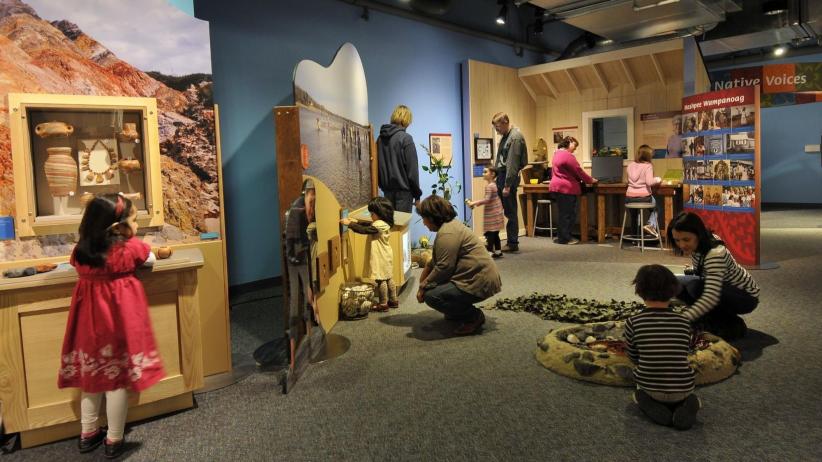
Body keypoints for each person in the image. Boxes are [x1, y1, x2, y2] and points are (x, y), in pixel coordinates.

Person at [58, 194, 164, 458]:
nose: (137, 226)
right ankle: (114, 439)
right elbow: (150, 258)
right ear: (117, 228)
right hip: (117, 323)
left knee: (91, 379)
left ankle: (88, 433)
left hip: (88, 325)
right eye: (134, 221)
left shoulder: (80, 252)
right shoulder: (128, 249)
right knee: (117, 381)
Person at [624, 264, 701, 430]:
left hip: (650, 387)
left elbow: (632, 355)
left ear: (639, 291)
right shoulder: (684, 322)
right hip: (684, 387)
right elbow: (685, 350)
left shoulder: (633, 322)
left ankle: (648, 402)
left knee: (639, 390)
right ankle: (689, 402)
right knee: (686, 379)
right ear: (673, 291)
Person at [416, 195, 501, 335]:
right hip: (475, 277)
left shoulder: (447, 232)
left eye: (424, 218)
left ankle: (473, 316)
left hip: (480, 281)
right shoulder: (449, 227)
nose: (424, 223)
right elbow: (435, 261)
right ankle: (458, 311)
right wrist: (423, 282)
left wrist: (424, 287)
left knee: (432, 296)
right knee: (434, 287)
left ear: (432, 217)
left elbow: (444, 267)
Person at [667, 212, 760, 340]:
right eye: (677, 240)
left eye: (686, 239)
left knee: (696, 287)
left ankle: (730, 323)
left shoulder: (714, 254)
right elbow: (708, 270)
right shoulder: (703, 243)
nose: (681, 245)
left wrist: (684, 319)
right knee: (672, 281)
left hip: (745, 296)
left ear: (698, 235)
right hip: (723, 287)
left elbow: (711, 297)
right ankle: (709, 318)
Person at [341, 197, 398, 311]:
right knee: (389, 278)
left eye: (372, 214)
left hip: (380, 256)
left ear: (379, 213)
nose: (371, 216)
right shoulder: (384, 223)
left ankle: (383, 304)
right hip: (386, 254)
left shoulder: (378, 225)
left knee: (381, 280)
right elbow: (369, 225)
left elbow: (364, 230)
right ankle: (393, 300)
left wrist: (350, 224)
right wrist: (356, 221)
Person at [549, 136, 596, 245]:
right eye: (574, 146)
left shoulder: (556, 154)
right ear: (569, 142)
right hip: (566, 189)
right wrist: (590, 180)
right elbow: (578, 171)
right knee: (568, 214)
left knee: (563, 214)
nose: (575, 149)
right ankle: (565, 238)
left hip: (556, 187)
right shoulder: (567, 155)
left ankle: (562, 236)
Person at [492, 112, 527, 252]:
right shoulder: (506, 137)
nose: (497, 130)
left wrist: (507, 185)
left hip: (508, 178)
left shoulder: (515, 137)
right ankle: (499, 241)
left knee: (510, 211)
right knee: (500, 209)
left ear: (506, 122)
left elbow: (512, 163)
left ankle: (513, 242)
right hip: (501, 177)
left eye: (498, 127)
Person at [377, 104, 422, 213]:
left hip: (387, 193)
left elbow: (377, 167)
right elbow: (412, 171)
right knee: (402, 229)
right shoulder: (406, 139)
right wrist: (417, 195)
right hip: (404, 194)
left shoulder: (380, 139)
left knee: (390, 227)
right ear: (406, 120)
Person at [466, 166, 504, 259]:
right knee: (495, 233)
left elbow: (487, 200)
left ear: (492, 174)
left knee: (490, 233)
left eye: (485, 172)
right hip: (497, 210)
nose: (483, 174)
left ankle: (490, 252)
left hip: (492, 212)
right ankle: (498, 251)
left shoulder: (489, 186)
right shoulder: (494, 184)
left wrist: (474, 203)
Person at [626, 144, 662, 238]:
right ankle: (651, 225)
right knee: (656, 208)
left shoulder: (630, 165)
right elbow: (649, 182)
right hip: (644, 198)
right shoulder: (648, 166)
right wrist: (658, 179)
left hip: (629, 198)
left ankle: (635, 238)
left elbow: (629, 181)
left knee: (634, 216)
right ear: (648, 155)